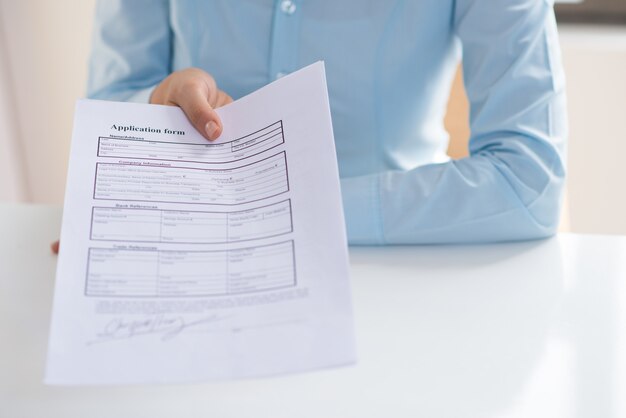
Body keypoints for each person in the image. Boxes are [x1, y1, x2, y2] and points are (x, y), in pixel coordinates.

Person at [86, 0, 567, 245]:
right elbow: (105, 107)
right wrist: (156, 103)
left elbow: (528, 182)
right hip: (191, 249)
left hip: (408, 256)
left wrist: (280, 212)